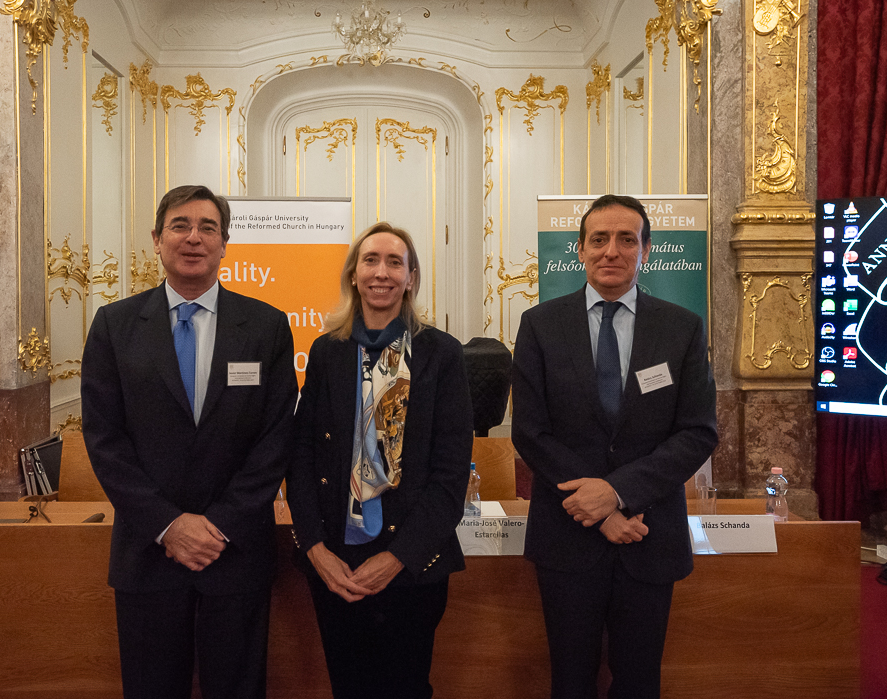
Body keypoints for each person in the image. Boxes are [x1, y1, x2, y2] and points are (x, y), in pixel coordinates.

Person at [81, 184, 297, 699]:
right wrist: (169, 525)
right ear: (157, 240)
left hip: (235, 552)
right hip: (149, 552)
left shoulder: (266, 326)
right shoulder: (114, 326)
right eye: (180, 226)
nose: (193, 238)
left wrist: (219, 525)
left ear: (225, 244)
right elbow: (105, 439)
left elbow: (276, 438)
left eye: (208, 228)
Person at [511, 194, 718, 699]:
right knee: (570, 680)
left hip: (648, 533)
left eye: (627, 239)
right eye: (599, 239)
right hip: (567, 536)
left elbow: (697, 431)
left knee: (639, 681)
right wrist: (601, 510)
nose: (612, 251)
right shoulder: (540, 325)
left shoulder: (682, 327)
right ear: (580, 249)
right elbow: (531, 432)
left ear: (645, 250)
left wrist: (618, 493)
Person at [287, 222, 474, 699]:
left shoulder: (441, 354)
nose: (381, 273)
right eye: (370, 260)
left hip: (411, 563)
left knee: (406, 688)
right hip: (335, 563)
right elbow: (302, 455)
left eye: (395, 263)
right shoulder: (327, 352)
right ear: (354, 274)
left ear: (411, 278)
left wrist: (397, 558)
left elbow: (450, 475)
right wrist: (314, 549)